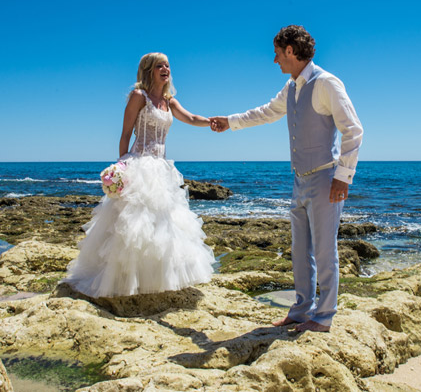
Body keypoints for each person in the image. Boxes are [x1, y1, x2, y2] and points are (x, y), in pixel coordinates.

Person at [210, 25, 363, 332]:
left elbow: (353, 130)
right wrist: (231, 122)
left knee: (324, 250)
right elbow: (267, 112)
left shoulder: (326, 83)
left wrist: (343, 177)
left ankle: (324, 317)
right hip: (299, 179)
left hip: (324, 178)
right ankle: (301, 309)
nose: (275, 60)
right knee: (300, 249)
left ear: (291, 51)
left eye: (278, 53)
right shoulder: (292, 87)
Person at [63, 52, 215, 298]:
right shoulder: (138, 96)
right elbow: (125, 134)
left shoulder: (169, 100)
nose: (165, 69)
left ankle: (155, 279)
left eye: (167, 65)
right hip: (138, 165)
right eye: (159, 66)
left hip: (162, 169)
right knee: (132, 227)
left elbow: (191, 118)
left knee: (162, 226)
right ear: (148, 70)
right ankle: (123, 281)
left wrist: (212, 122)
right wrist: (121, 168)